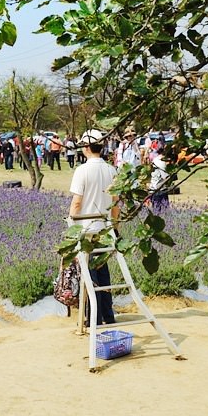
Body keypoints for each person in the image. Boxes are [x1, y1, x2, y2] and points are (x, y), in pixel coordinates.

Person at [69, 129, 119, 327]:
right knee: (103, 271)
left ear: (86, 147)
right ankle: (108, 315)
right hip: (105, 229)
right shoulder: (111, 170)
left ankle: (94, 319)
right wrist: (115, 227)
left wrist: (70, 228)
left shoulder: (82, 170)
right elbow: (116, 203)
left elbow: (76, 203)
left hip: (86, 229)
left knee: (90, 275)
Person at [149, 145, 170, 212]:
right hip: (159, 189)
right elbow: (166, 177)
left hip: (153, 188)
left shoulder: (156, 159)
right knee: (162, 211)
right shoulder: (161, 162)